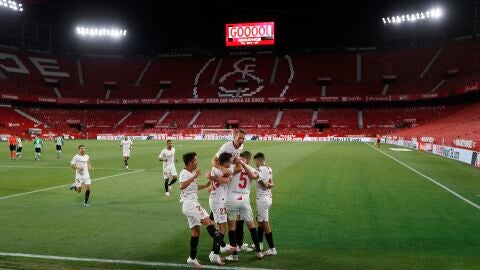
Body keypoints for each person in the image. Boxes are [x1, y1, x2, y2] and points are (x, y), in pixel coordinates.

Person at [179, 152, 235, 267]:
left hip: (191, 203)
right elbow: (181, 186)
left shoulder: (190, 173)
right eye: (195, 160)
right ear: (190, 162)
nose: (197, 162)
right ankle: (223, 246)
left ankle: (192, 258)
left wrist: (205, 185)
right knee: (208, 222)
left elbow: (192, 187)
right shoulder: (185, 173)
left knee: (196, 232)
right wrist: (194, 177)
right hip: (190, 204)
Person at [223, 151, 263, 261]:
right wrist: (245, 165)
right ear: (249, 159)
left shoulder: (232, 168)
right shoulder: (251, 169)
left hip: (231, 199)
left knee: (231, 227)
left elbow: (223, 174)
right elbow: (255, 176)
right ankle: (259, 252)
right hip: (245, 199)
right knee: (251, 225)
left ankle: (234, 255)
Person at [254, 152, 277, 256]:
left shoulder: (261, 169)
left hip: (263, 199)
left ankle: (272, 249)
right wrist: (269, 185)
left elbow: (260, 182)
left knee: (265, 223)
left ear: (259, 160)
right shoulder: (269, 168)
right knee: (259, 221)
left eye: (256, 162)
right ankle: (260, 244)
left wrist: (266, 185)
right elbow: (271, 183)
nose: (256, 164)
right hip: (267, 197)